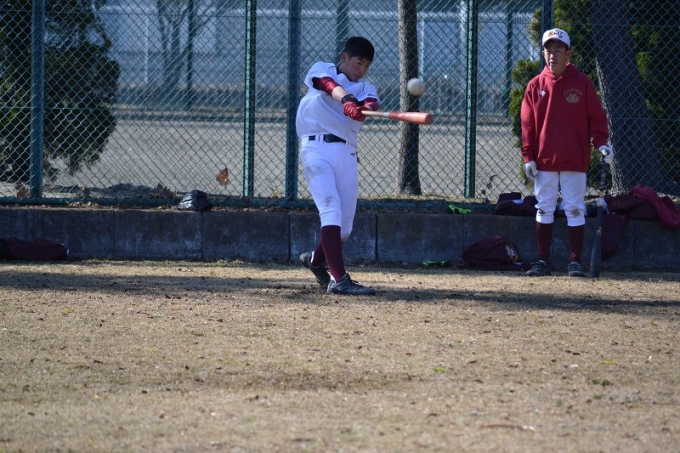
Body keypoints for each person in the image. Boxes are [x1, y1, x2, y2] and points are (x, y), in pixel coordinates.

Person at [520, 28, 613, 277]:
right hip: (544, 160)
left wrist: (601, 143)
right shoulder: (535, 85)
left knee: (574, 208)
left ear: (568, 54)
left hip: (574, 158)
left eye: (558, 51)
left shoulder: (582, 82)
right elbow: (527, 124)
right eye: (548, 51)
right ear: (543, 54)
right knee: (544, 207)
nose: (553, 56)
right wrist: (529, 156)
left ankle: (575, 262)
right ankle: (543, 261)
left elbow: (596, 118)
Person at [296, 36, 380, 295]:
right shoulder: (322, 68)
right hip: (316, 148)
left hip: (346, 152)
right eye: (358, 63)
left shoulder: (367, 87)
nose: (362, 70)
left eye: (367, 65)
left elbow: (372, 103)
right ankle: (340, 280)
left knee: (344, 229)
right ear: (344, 58)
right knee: (330, 208)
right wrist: (346, 101)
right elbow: (327, 85)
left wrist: (362, 109)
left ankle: (315, 260)